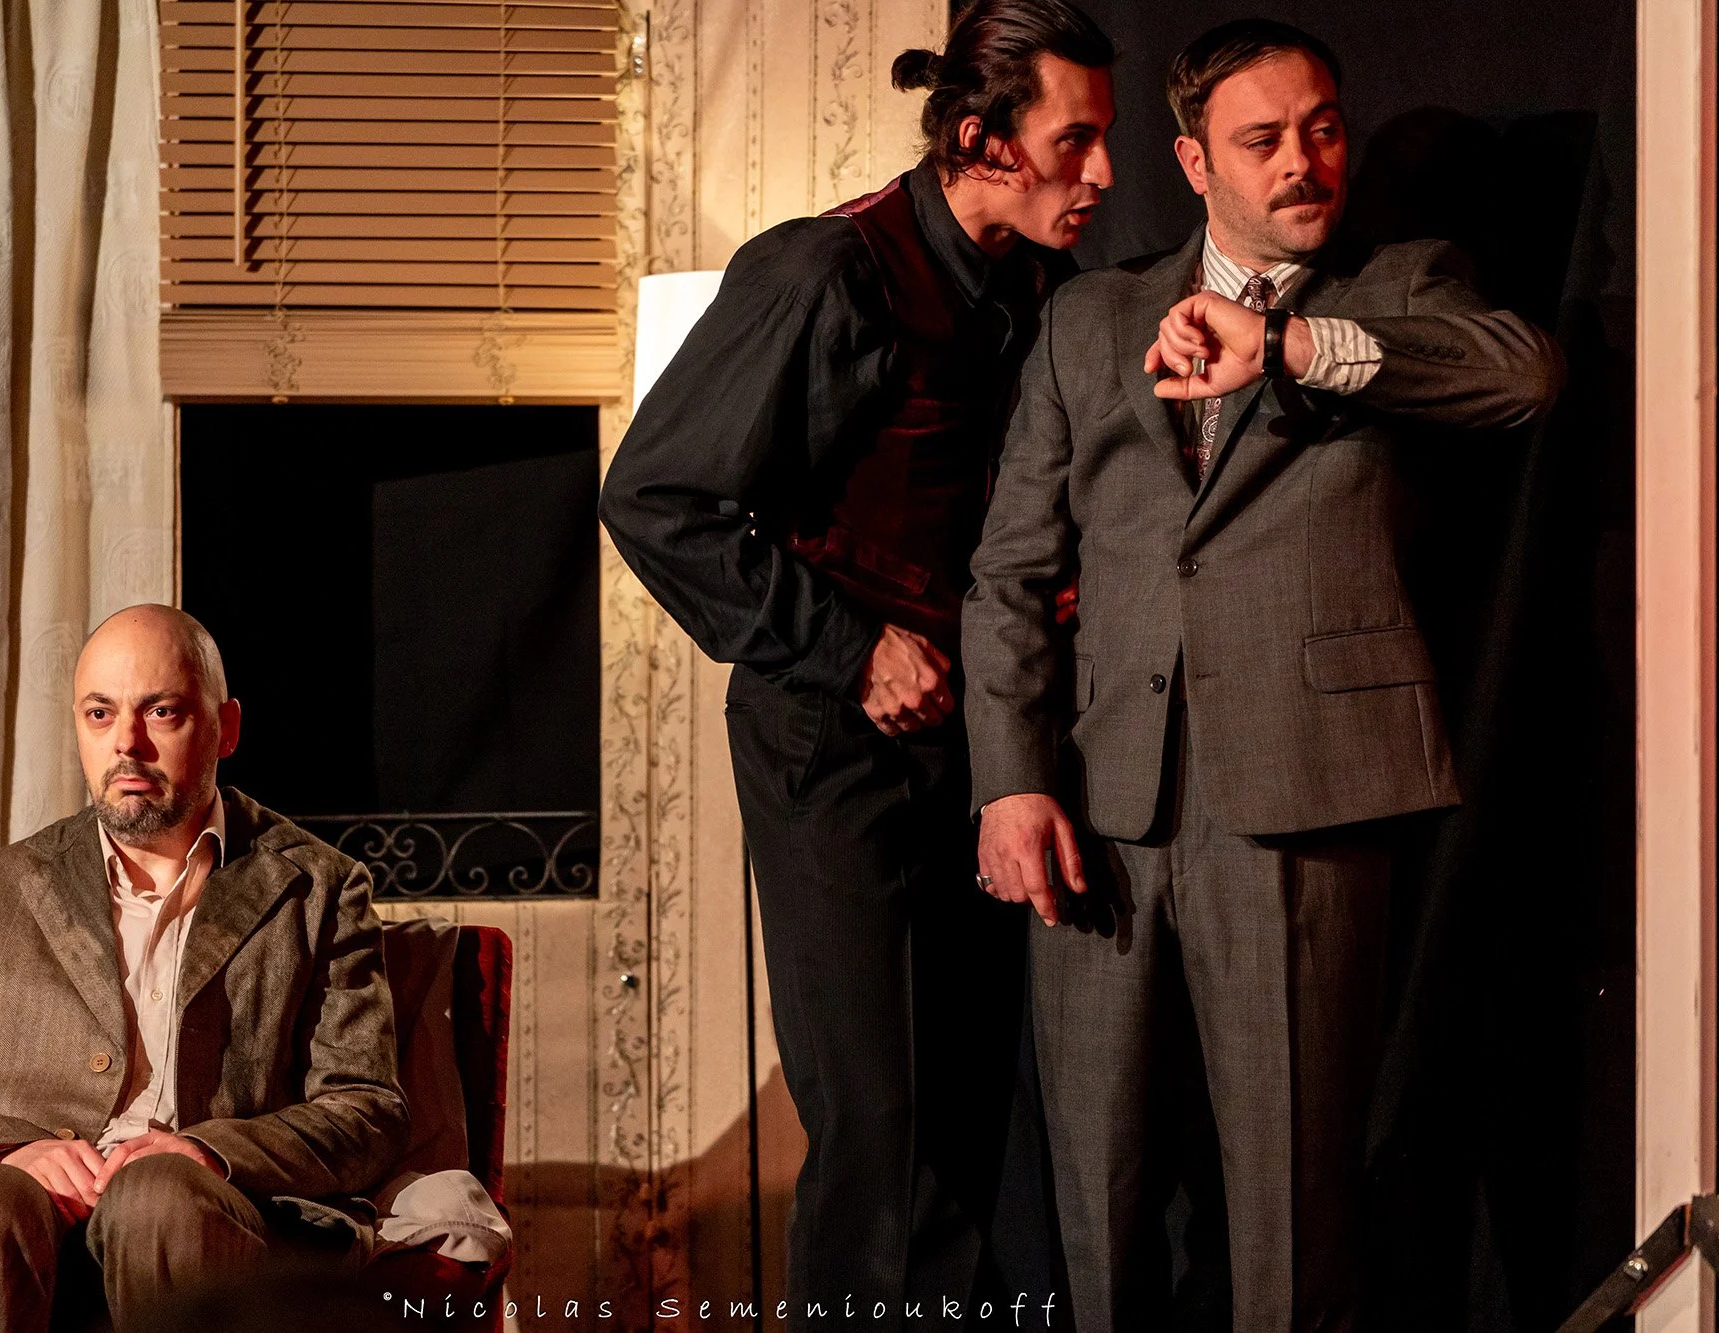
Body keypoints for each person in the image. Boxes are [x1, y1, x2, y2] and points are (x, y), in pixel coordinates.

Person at [962, 19, 1563, 1332]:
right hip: (1101, 815)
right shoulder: (1087, 316)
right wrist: (1007, 783)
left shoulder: (1399, 283)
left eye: (1323, 129)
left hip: (1304, 799)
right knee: (1097, 1207)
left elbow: (1520, 373)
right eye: (1263, 139)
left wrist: (1287, 345)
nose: (1304, 161)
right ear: (1193, 162)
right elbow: (1008, 575)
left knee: (1295, 1214)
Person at [598, 2, 1114, 1323]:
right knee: (878, 1129)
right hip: (829, 742)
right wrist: (848, 646)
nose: (1103, 174)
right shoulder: (822, 272)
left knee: (967, 1120)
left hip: (979, 743)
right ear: (981, 141)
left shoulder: (1037, 289)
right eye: (1075, 142)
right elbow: (656, 498)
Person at [0, 605, 407, 1331]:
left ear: (225, 728)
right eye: (100, 714)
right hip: (16, 1212)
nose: (126, 743)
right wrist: (13, 1152)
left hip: (210, 1211)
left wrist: (209, 1152)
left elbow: (366, 1109)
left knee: (159, 1195)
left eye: (161, 712)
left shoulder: (319, 887)